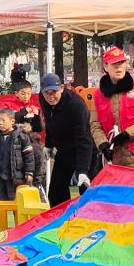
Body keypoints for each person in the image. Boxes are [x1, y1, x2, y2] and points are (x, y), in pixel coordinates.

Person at [38, 72, 95, 207]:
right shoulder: (43, 99)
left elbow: (84, 139)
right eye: (47, 93)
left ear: (62, 88)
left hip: (84, 149)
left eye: (54, 92)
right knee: (56, 191)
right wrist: (49, 144)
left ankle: (89, 216)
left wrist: (82, 170)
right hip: (64, 149)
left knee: (86, 188)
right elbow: (50, 120)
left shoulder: (76, 106)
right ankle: (62, 217)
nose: (51, 97)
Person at [92, 46, 134, 168]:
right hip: (113, 158)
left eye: (121, 63)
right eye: (114, 64)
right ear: (105, 67)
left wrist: (127, 134)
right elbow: (95, 125)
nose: (119, 67)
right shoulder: (98, 95)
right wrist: (103, 144)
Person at [0, 105, 38, 203]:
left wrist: (29, 172)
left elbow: (29, 156)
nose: (0, 123)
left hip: (15, 177)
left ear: (12, 121)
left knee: (16, 203)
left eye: (3, 120)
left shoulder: (22, 137)